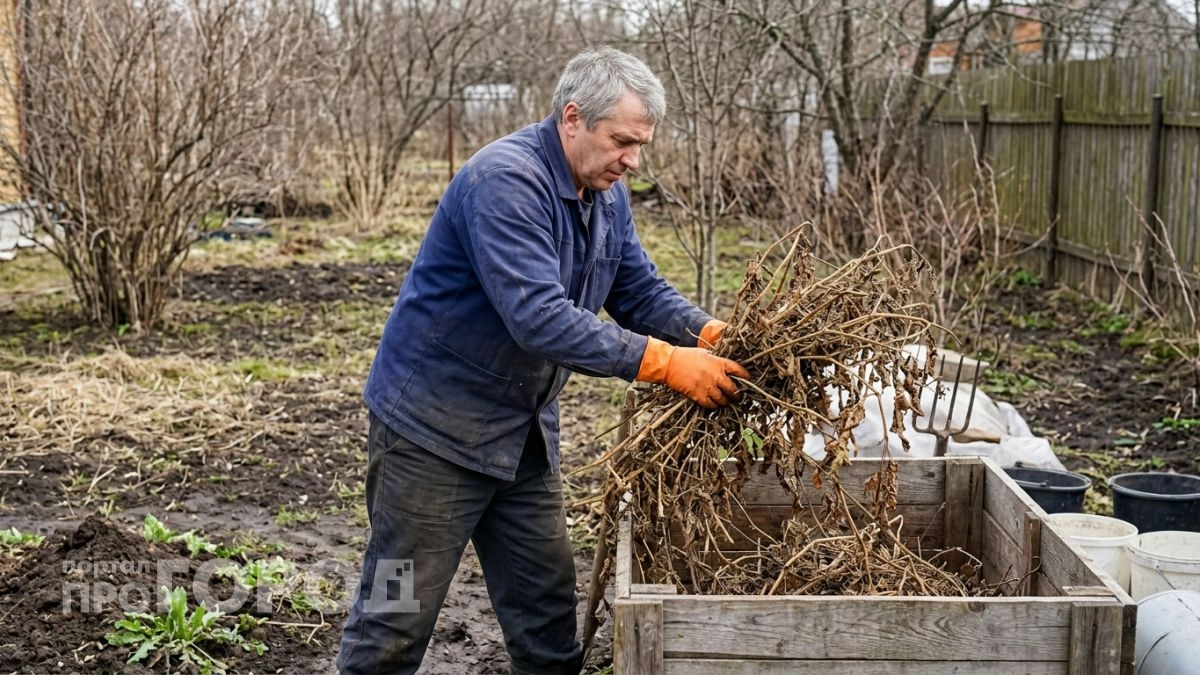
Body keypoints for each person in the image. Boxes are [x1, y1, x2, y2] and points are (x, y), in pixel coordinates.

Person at [337, 46, 750, 675]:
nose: (633, 160)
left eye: (640, 144)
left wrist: (709, 333)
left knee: (548, 621)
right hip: (428, 438)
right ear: (573, 118)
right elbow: (538, 316)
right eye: (621, 141)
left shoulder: (605, 194)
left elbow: (637, 291)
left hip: (521, 441)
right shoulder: (504, 181)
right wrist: (666, 364)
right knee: (394, 615)